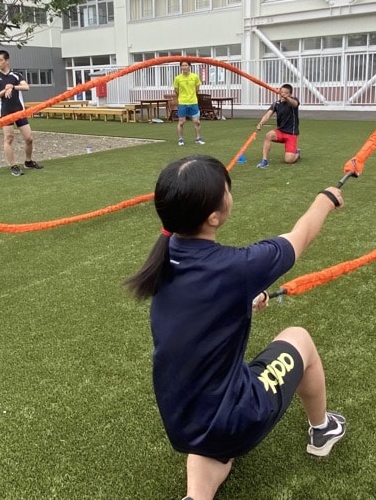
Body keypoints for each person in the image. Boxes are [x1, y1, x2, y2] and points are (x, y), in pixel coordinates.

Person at [126, 155, 346, 500]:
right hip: (234, 416)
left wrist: (239, 302)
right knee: (298, 338)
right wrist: (326, 199)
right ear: (214, 216)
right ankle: (323, 429)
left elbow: (198, 312)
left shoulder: (165, 259)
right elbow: (300, 237)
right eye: (226, 190)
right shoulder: (236, 269)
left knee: (216, 453)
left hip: (184, 423)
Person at [0, 49, 44, 176]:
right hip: (5, 112)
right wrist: (4, 90)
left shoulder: (16, 75)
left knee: (29, 138)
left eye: (0, 60)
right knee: (9, 138)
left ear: (7, 61)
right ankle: (13, 166)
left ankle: (28, 162)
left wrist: (12, 86)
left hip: (19, 111)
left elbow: (26, 87)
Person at [255, 84, 300, 169]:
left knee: (289, 160)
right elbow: (267, 115)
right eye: (282, 92)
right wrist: (261, 123)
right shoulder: (276, 104)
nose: (283, 94)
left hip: (291, 134)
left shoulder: (294, 100)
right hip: (281, 132)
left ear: (290, 94)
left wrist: (287, 98)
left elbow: (294, 104)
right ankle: (264, 160)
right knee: (269, 135)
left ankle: (297, 153)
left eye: (286, 93)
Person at [171, 60, 204, 146]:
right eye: (183, 65)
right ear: (181, 67)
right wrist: (182, 98)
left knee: (197, 121)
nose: (184, 67)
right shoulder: (177, 78)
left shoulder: (195, 77)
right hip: (182, 102)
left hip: (193, 102)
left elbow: (197, 89)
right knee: (181, 122)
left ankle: (198, 138)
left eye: (186, 65)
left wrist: (192, 97)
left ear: (189, 66)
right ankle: (180, 139)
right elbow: (176, 91)